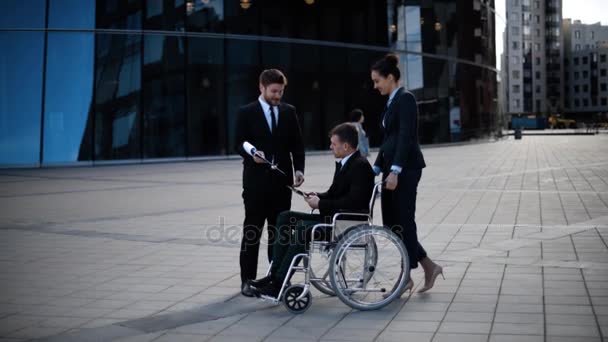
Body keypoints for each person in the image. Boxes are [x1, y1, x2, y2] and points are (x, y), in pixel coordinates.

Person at [249, 123, 375, 297]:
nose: (331, 147)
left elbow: (354, 202)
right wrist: (317, 196)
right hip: (334, 218)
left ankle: (279, 282)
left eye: (334, 144)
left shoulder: (360, 166)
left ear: (345, 146)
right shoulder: (346, 163)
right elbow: (333, 193)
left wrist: (320, 204)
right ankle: (274, 275)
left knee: (303, 229)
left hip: (347, 222)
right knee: (285, 217)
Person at [370, 53, 443, 294]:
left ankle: (407, 276)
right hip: (392, 169)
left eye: (377, 81)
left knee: (404, 222)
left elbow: (405, 137)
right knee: (392, 224)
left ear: (390, 78)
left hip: (405, 169)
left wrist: (395, 170)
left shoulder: (406, 99)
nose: (375, 86)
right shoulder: (392, 101)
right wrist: (378, 166)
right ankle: (427, 266)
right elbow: (389, 139)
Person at [234, 69, 305, 297]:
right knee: (252, 233)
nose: (277, 96)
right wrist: (250, 155)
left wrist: (300, 169)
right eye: (274, 91)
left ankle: (276, 279)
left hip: (282, 185)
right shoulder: (246, 112)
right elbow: (238, 142)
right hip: (255, 185)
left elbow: (297, 144)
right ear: (261, 88)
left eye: (281, 91)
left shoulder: (289, 111)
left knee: (280, 235)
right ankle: (247, 280)